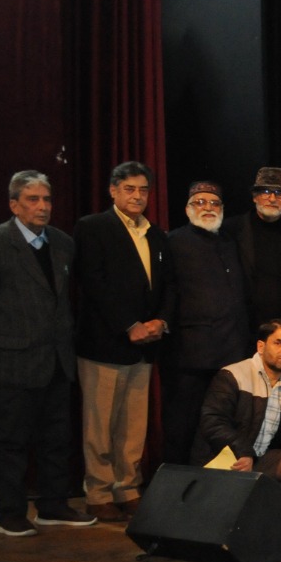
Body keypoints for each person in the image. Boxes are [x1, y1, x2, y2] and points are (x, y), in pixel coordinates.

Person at [0, 171, 94, 536]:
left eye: (47, 199)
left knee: (57, 440)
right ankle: (9, 513)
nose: (42, 206)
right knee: (11, 442)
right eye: (33, 199)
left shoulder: (63, 242)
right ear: (14, 204)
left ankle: (53, 506)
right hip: (12, 362)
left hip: (57, 361)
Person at [72, 160, 171, 522]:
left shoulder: (156, 235)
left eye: (143, 190)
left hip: (145, 347)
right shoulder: (93, 227)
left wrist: (161, 321)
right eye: (129, 189)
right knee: (100, 425)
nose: (137, 196)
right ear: (113, 191)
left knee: (133, 426)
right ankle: (98, 492)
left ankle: (127, 488)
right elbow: (92, 282)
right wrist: (128, 325)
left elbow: (168, 285)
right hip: (104, 343)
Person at [194, 319, 281, 513]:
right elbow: (213, 421)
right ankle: (246, 501)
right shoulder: (234, 375)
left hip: (259, 462)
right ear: (261, 346)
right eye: (279, 343)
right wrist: (243, 452)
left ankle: (255, 501)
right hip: (230, 458)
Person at [162, 181, 250, 465]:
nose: (207, 208)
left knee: (222, 424)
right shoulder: (174, 241)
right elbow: (167, 292)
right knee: (183, 424)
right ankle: (176, 482)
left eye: (214, 203)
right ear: (188, 208)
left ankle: (217, 482)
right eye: (200, 202)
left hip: (230, 352)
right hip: (190, 355)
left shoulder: (229, 242)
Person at [232, 167, 281, 328]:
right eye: (266, 192)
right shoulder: (231, 231)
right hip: (242, 325)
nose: (272, 198)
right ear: (255, 196)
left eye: (279, 193)